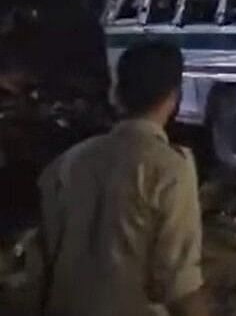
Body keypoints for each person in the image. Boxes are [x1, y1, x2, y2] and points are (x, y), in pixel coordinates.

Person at [33, 41, 208, 316]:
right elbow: (178, 286)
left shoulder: (65, 164)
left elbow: (44, 268)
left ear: (117, 94)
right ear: (174, 97)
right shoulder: (170, 169)